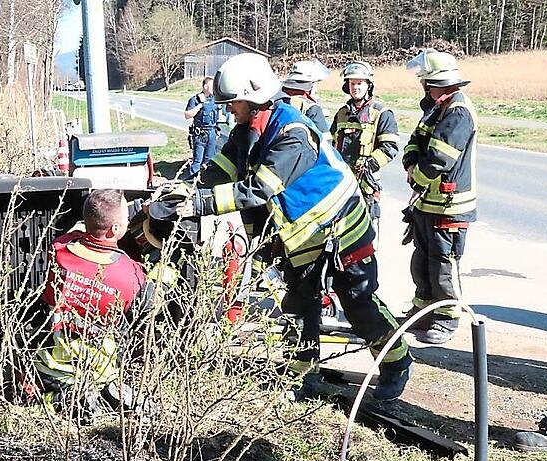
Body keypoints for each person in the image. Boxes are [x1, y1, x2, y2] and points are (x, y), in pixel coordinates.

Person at [167, 53, 413, 401]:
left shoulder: (291, 133)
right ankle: (303, 375)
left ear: (253, 99)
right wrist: (186, 189)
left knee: (358, 303)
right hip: (300, 238)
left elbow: (258, 190)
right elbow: (218, 169)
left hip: (341, 229)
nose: (227, 111)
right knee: (300, 306)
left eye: (232, 103)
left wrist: (200, 204)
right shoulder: (247, 130)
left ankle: (396, 361)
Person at [34, 189, 173, 417]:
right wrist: (166, 271)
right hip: (100, 371)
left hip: (50, 366)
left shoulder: (59, 248)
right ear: (115, 229)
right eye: (125, 219)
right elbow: (149, 305)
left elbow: (83, 226)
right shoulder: (130, 275)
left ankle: (70, 398)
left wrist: (135, 207)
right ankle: (81, 400)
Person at [402, 49, 477, 345]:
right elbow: (415, 142)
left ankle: (446, 319)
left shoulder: (458, 111)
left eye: (425, 82)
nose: (424, 87)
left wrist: (416, 176)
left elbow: (438, 158)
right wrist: (410, 163)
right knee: (422, 261)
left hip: (449, 206)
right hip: (427, 203)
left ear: (434, 82)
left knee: (444, 263)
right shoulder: (436, 108)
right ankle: (422, 312)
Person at [331, 61, 400, 237]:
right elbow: (331, 144)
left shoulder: (382, 114)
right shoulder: (341, 114)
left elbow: (390, 147)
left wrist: (370, 165)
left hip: (367, 188)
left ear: (369, 85)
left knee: (366, 240)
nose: (355, 87)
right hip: (342, 187)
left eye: (359, 83)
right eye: (352, 83)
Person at [183, 77, 223, 179]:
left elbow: (220, 115)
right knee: (197, 161)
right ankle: (191, 181)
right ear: (205, 86)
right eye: (211, 86)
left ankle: (205, 182)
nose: (213, 88)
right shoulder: (195, 99)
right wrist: (200, 106)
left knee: (209, 160)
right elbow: (187, 115)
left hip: (212, 133)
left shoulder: (215, 100)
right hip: (200, 134)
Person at [279, 59, 331, 132]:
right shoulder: (311, 107)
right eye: (316, 83)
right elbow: (325, 140)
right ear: (311, 84)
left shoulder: (276, 99)